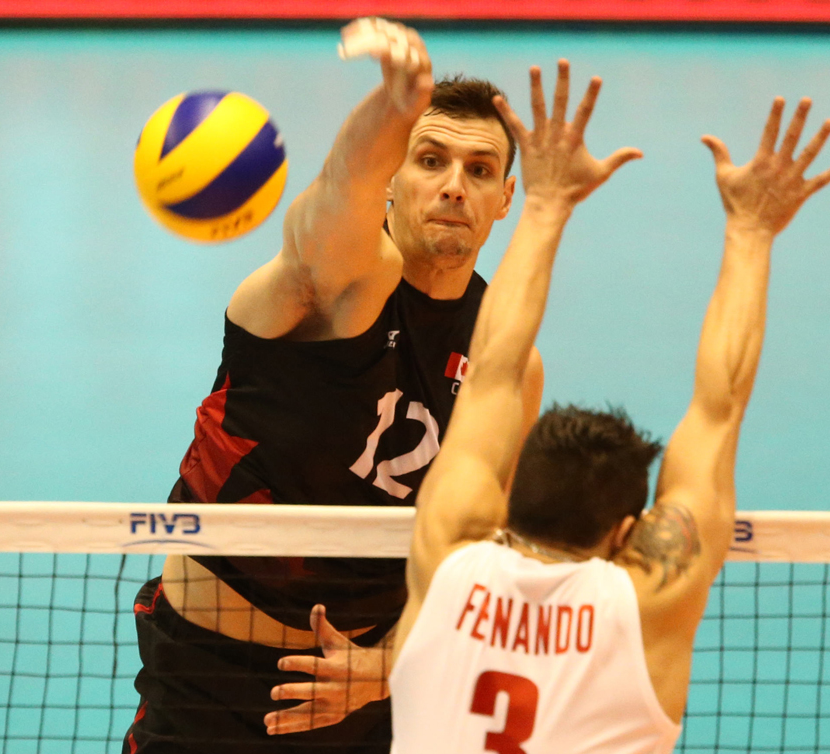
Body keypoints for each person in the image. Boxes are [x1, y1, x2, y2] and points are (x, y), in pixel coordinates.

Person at [125, 18, 552, 754]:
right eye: (429, 159)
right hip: (211, 677)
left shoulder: (505, 354)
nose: (453, 186)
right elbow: (335, 197)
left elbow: (481, 545)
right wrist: (395, 102)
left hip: (369, 686)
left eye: (479, 171)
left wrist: (387, 668)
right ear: (393, 172)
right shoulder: (336, 282)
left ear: (506, 197)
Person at [384, 87, 830, 752]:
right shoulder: (645, 606)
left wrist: (545, 205)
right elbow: (719, 409)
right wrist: (751, 230)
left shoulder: (447, 559)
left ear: (508, 498)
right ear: (627, 533)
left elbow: (493, 374)